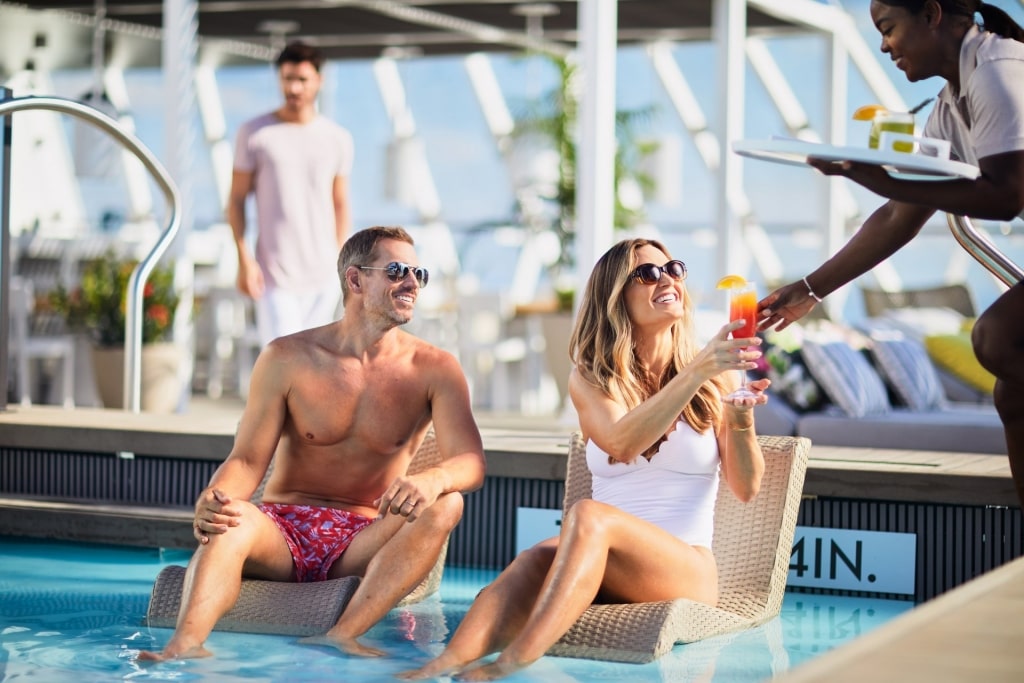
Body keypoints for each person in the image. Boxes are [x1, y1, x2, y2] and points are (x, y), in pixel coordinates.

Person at [399, 238, 769, 681]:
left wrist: (740, 419)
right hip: (607, 561)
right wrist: (698, 372)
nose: (667, 278)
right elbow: (621, 441)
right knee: (534, 560)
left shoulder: (717, 374)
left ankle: (513, 662)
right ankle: (439, 668)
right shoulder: (593, 379)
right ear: (616, 299)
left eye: (674, 268)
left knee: (591, 516)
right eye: (648, 274)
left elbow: (747, 489)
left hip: (686, 570)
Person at [139, 226, 486, 661]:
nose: (412, 283)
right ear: (355, 280)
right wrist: (216, 498)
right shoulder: (287, 357)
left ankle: (343, 633)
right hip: (281, 530)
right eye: (397, 271)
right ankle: (184, 646)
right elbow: (247, 459)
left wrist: (434, 479)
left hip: (362, 536)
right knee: (232, 519)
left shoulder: (434, 368)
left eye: (419, 273)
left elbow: (470, 461)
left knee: (448, 503)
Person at [757, 0, 1024, 508]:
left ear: (931, 14)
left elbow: (1007, 194)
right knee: (1013, 394)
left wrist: (879, 177)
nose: (883, 46)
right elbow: (899, 215)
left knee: (998, 338)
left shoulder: (997, 70)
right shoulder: (951, 104)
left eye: (888, 28)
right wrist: (809, 289)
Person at [228, 40, 354, 346]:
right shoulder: (255, 133)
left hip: (323, 275)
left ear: (319, 81)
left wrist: (340, 262)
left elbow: (339, 203)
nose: (294, 88)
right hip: (274, 275)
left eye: (302, 80)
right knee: (284, 358)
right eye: (287, 79)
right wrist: (244, 259)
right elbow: (235, 200)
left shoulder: (337, 139)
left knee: (319, 364)